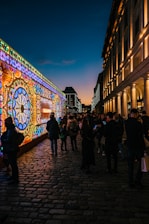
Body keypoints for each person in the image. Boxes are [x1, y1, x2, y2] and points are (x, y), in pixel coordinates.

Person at [125, 108, 145, 188]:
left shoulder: (126, 123)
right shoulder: (138, 124)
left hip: (130, 146)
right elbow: (140, 136)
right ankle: (138, 180)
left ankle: (130, 182)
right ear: (135, 114)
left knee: (130, 165)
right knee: (141, 164)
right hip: (138, 147)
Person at [1, 117, 19, 184]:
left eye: (6, 122)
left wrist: (3, 139)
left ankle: (15, 178)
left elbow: (9, 140)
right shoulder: (12, 129)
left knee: (13, 164)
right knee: (13, 164)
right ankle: (14, 177)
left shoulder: (10, 130)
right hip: (13, 149)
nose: (5, 124)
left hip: (11, 149)